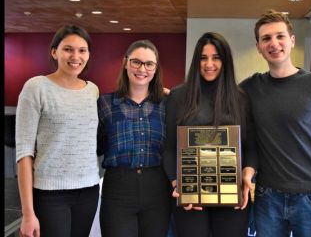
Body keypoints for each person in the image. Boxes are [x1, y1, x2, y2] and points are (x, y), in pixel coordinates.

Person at [240, 9, 311, 237]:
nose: (274, 43)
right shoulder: (251, 88)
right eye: (266, 38)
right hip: (267, 198)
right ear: (259, 46)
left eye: (280, 36)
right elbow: (218, 97)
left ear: (291, 40)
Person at [163, 32, 257, 237]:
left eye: (216, 58)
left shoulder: (240, 98)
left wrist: (247, 177)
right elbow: (169, 149)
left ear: (225, 61)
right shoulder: (179, 96)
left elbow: (250, 148)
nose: (209, 64)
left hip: (231, 195)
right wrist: (177, 184)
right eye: (203, 58)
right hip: (191, 197)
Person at [15, 25, 100, 237]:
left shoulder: (93, 91)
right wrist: (27, 214)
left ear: (88, 54)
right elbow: (24, 153)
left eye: (82, 50)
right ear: (54, 52)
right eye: (68, 49)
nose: (76, 56)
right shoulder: (36, 87)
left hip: (89, 191)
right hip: (50, 194)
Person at [97, 39, 171, 237]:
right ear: (125, 63)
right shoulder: (105, 103)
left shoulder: (167, 104)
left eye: (149, 64)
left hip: (158, 188)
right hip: (118, 190)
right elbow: (94, 146)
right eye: (136, 62)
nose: (142, 69)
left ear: (155, 69)